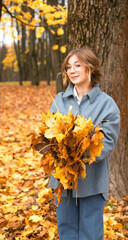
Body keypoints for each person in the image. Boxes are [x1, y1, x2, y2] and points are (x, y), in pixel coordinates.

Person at [49, 46, 120, 240]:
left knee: (91, 234)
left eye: (77, 65)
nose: (72, 70)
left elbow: (107, 142)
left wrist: (77, 154)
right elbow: (50, 137)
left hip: (92, 182)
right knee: (66, 231)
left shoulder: (107, 104)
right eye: (68, 67)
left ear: (90, 67)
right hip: (63, 181)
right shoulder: (59, 100)